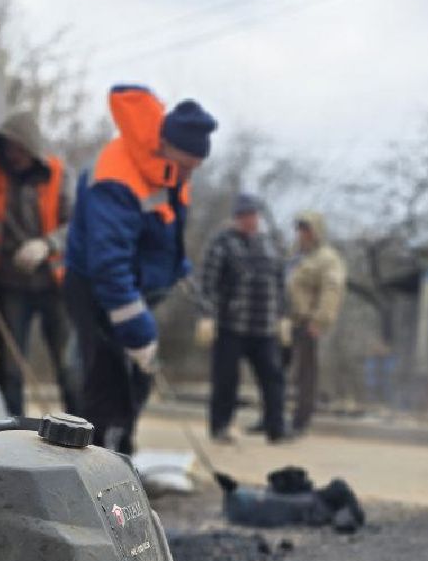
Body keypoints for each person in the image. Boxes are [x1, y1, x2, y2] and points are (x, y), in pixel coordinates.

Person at [63, 86, 217, 455]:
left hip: (136, 289)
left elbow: (166, 229)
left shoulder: (172, 171)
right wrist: (137, 330)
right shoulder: (117, 175)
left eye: (194, 168)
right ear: (166, 143)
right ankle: (92, 461)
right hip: (98, 288)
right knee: (105, 378)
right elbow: (109, 262)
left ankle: (121, 452)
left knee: (138, 378)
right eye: (185, 165)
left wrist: (178, 269)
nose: (187, 175)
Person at [0, 109, 77, 415]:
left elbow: (77, 226)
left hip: (54, 285)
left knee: (68, 365)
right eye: (8, 148)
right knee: (10, 367)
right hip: (10, 284)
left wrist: (47, 245)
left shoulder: (60, 174)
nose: (13, 154)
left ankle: (82, 431)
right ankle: (13, 436)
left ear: (32, 147)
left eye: (19, 148)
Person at [195, 194, 289, 443]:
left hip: (265, 326)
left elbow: (280, 282)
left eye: (254, 215)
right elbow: (208, 282)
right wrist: (206, 314)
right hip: (231, 325)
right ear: (237, 218)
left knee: (273, 377)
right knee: (226, 378)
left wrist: (283, 315)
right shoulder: (222, 243)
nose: (251, 220)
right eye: (245, 215)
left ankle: (276, 427)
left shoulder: (269, 244)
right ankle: (221, 427)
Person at [287, 211, 346, 436]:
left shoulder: (327, 259)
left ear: (316, 231)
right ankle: (271, 417)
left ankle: (300, 421)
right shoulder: (295, 256)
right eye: (300, 229)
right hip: (285, 321)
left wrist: (320, 320)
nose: (302, 234)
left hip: (308, 321)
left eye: (307, 229)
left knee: (305, 374)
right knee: (275, 371)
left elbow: (332, 291)